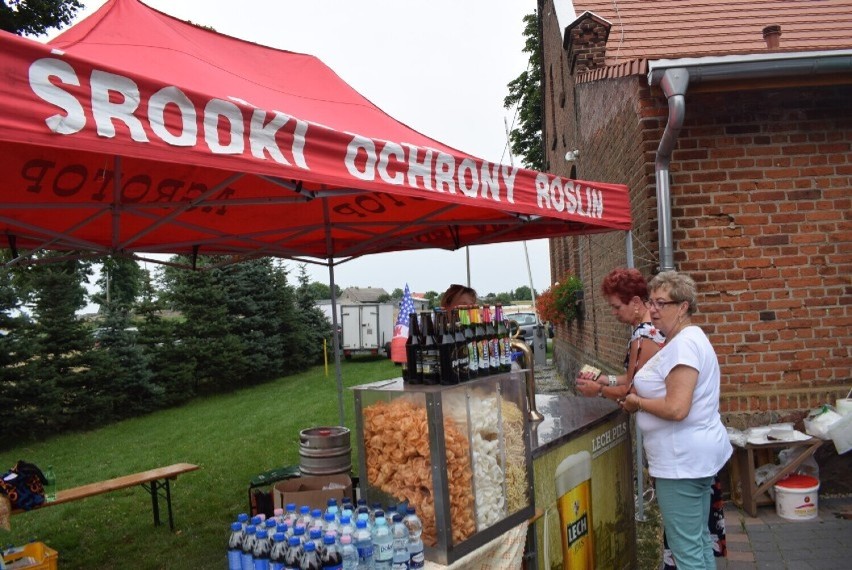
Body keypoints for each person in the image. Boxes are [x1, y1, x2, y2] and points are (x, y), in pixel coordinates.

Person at [620, 271, 732, 569]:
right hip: (693, 458)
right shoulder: (688, 338)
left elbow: (677, 408)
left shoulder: (684, 344)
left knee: (686, 552)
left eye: (661, 303)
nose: (653, 309)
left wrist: (638, 403)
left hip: (682, 464)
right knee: (697, 543)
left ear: (683, 307)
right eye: (651, 302)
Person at [575, 268, 664, 401]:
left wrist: (599, 390)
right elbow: (633, 377)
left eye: (617, 307)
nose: (614, 312)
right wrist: (604, 379)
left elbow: (631, 391)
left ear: (635, 302)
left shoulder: (644, 335)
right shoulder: (650, 326)